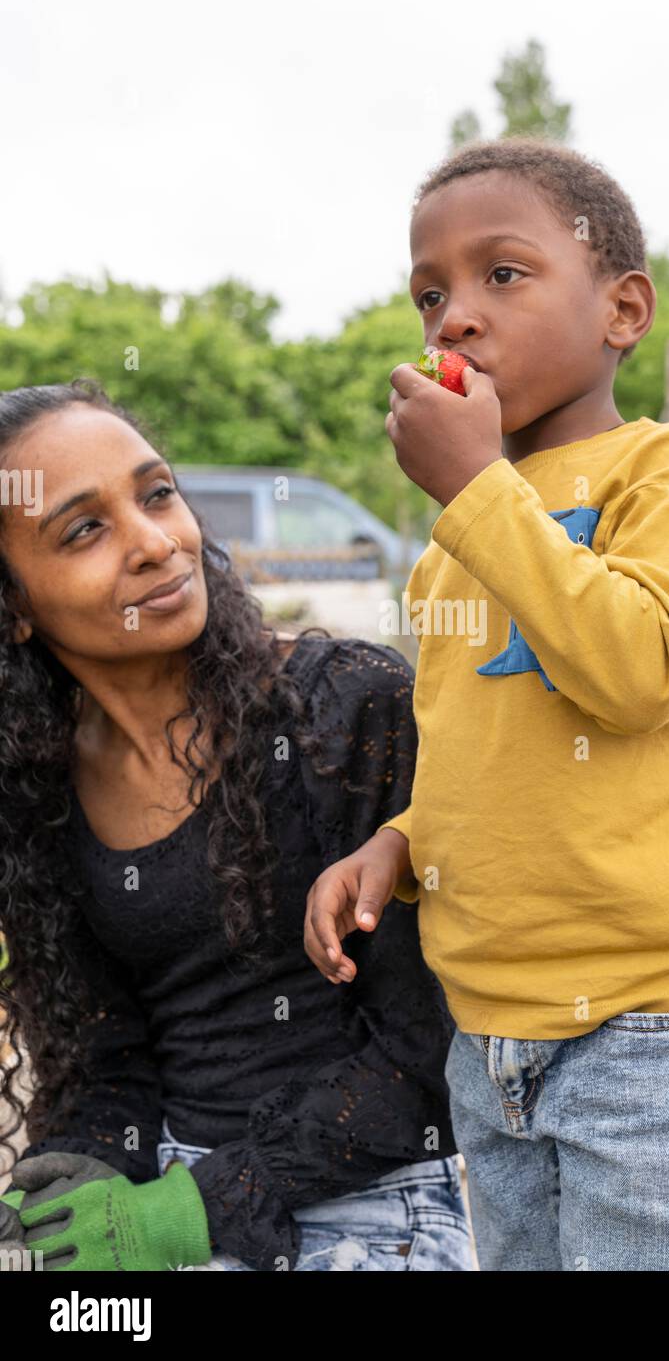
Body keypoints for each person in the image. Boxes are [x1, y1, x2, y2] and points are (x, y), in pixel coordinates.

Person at [304, 135, 669, 1272]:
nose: (454, 318)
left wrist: (476, 491)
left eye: (500, 275)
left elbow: (639, 671)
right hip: (492, 1026)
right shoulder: (449, 549)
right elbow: (477, 754)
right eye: (431, 295)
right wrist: (398, 844)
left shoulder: (663, 472)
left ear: (622, 310)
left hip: (650, 1019)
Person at [0, 379, 473, 1272]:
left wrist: (195, 1210)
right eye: (84, 529)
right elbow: (112, 1059)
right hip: (164, 1193)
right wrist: (74, 1179)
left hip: (368, 1204)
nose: (154, 544)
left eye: (156, 493)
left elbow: (431, 1057)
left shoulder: (342, 712)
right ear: (16, 608)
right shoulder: (38, 795)